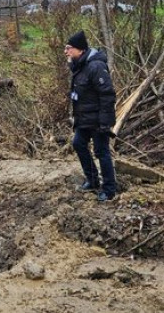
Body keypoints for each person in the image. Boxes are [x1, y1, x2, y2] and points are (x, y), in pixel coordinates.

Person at [65, 30, 120, 202]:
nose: (66, 51)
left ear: (80, 49)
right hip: (84, 118)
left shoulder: (95, 66)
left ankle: (110, 190)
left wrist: (105, 122)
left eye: (69, 48)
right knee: (78, 143)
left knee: (101, 151)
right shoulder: (78, 65)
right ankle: (93, 180)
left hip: (97, 119)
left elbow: (107, 94)